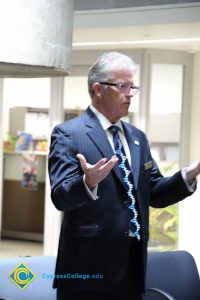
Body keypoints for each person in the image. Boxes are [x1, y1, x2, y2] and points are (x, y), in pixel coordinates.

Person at [48, 52, 200, 300]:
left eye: (132, 87)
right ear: (98, 89)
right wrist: (88, 182)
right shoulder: (68, 134)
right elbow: (60, 197)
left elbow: (154, 192)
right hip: (87, 270)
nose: (130, 94)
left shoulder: (137, 137)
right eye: (122, 86)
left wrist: (191, 173)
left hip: (132, 268)